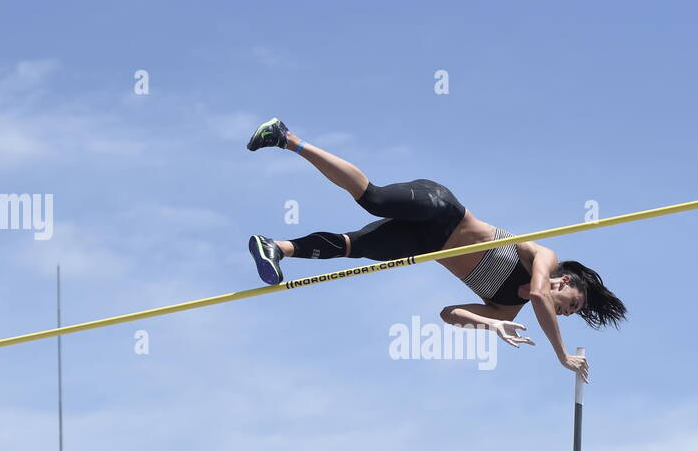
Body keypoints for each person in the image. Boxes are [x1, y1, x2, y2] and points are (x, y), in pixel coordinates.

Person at [244, 118, 625, 382]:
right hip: (441, 209)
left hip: (425, 244)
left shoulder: (509, 308)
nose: (568, 312)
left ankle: (275, 248)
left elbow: (448, 314)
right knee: (373, 198)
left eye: (572, 313)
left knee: (352, 247)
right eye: (573, 304)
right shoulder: (544, 259)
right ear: (565, 280)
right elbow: (540, 295)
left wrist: (491, 324)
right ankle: (286, 137)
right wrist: (561, 355)